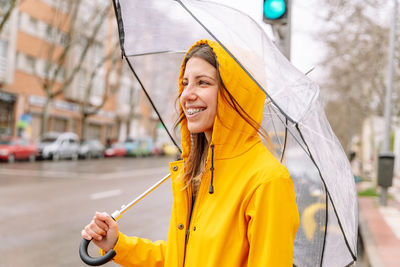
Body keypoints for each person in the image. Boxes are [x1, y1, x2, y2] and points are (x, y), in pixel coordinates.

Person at [82, 39, 299, 266]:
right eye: (185, 83)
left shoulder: (268, 181)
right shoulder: (197, 170)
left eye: (203, 83)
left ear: (236, 93)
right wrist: (118, 244)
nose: (186, 94)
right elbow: (184, 257)